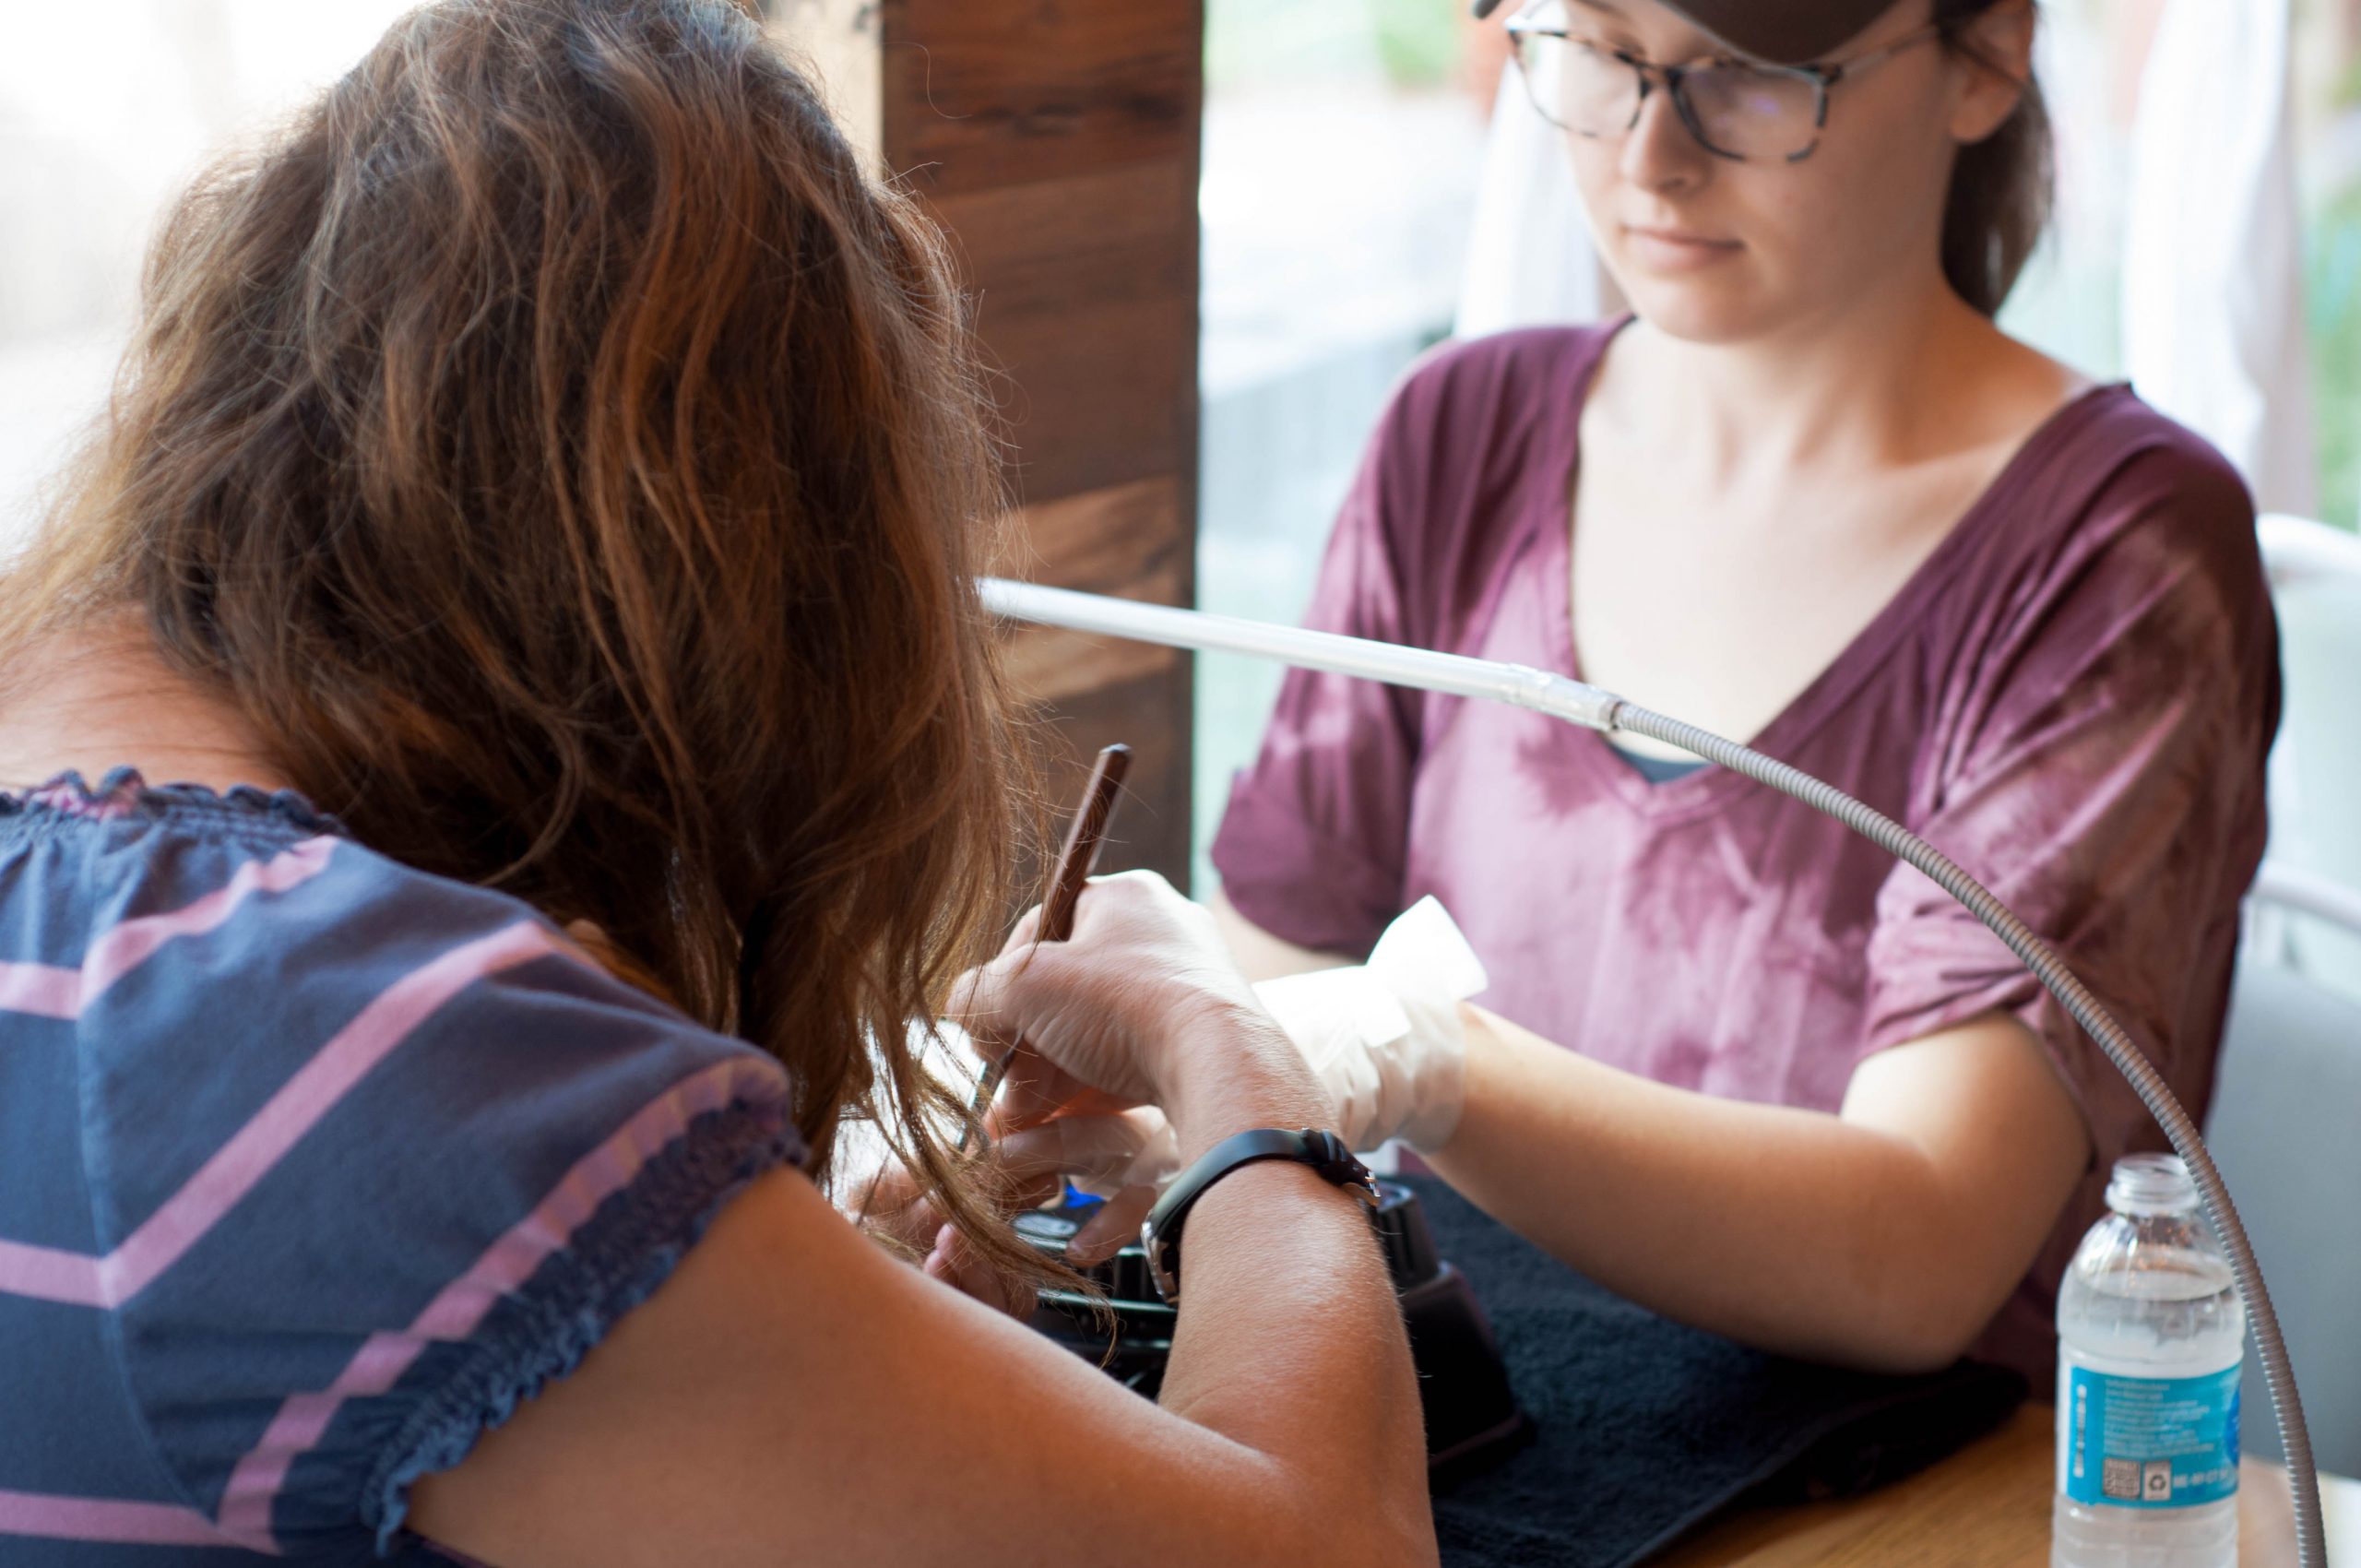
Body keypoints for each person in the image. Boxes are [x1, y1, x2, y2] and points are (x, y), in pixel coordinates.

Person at [0, 3, 1434, 1564]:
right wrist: (1238, 1067)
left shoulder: (96, 861)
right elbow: (1336, 1546)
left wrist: (766, 1288)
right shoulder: (372, 1050)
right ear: (755, 559)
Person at [1209, 0, 2280, 1392]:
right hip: (1449, 1430)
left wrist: (1424, 1059)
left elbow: (1918, 1248)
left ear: (1989, 54)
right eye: (1598, 50)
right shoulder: (1459, 435)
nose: (1652, 155)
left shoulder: (2117, 555)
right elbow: (1268, 967)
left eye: (1754, 76)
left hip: (1894, 1502)